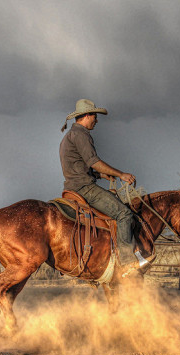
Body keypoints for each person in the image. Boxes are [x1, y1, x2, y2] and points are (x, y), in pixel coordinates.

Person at [59, 99, 151, 277]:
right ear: (86, 116)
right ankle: (127, 261)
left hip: (72, 187)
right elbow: (94, 162)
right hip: (84, 188)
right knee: (124, 214)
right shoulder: (82, 134)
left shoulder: (67, 137)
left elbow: (79, 168)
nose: (96, 120)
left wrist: (100, 175)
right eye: (94, 115)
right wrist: (120, 174)